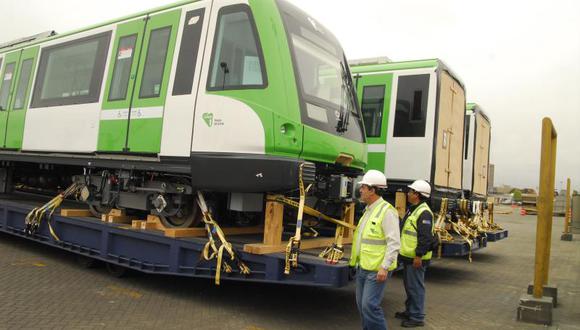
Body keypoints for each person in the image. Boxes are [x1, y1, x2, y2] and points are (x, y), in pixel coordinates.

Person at [350, 170, 401, 330]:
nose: (361, 190)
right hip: (363, 267)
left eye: (364, 187)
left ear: (373, 190)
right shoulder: (368, 210)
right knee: (361, 306)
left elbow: (394, 243)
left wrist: (384, 267)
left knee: (369, 306)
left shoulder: (387, 212)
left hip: (377, 270)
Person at [396, 180, 434, 328]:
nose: (408, 193)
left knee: (415, 287)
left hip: (416, 258)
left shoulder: (424, 213)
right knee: (409, 285)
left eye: (411, 191)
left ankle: (417, 317)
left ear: (417, 195)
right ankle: (410, 311)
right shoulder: (414, 208)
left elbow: (425, 238)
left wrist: (418, 255)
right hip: (408, 256)